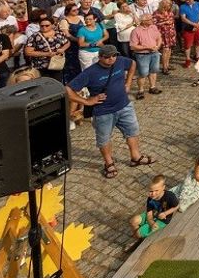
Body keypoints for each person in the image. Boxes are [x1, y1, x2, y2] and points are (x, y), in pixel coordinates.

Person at [64, 45, 155, 179]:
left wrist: (128, 83)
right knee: (104, 138)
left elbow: (133, 63)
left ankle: (136, 157)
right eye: (107, 57)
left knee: (132, 131)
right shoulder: (90, 72)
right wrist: (88, 101)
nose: (111, 59)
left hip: (124, 105)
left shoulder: (120, 61)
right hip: (103, 112)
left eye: (113, 55)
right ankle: (109, 163)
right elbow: (68, 90)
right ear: (100, 57)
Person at [129, 174, 179, 239]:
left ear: (163, 188)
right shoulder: (150, 198)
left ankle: (139, 235)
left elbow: (177, 206)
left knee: (138, 233)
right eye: (151, 191)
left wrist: (165, 213)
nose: (153, 193)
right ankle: (138, 236)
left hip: (162, 220)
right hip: (153, 215)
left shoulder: (169, 196)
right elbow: (149, 213)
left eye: (156, 190)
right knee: (133, 221)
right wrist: (151, 222)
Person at [128, 13, 163, 100]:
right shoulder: (136, 31)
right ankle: (140, 91)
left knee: (154, 71)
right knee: (143, 73)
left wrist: (158, 46)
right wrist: (147, 47)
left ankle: (152, 87)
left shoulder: (153, 27)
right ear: (143, 21)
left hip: (154, 53)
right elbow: (133, 46)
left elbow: (159, 37)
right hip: (142, 55)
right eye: (150, 19)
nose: (152, 20)